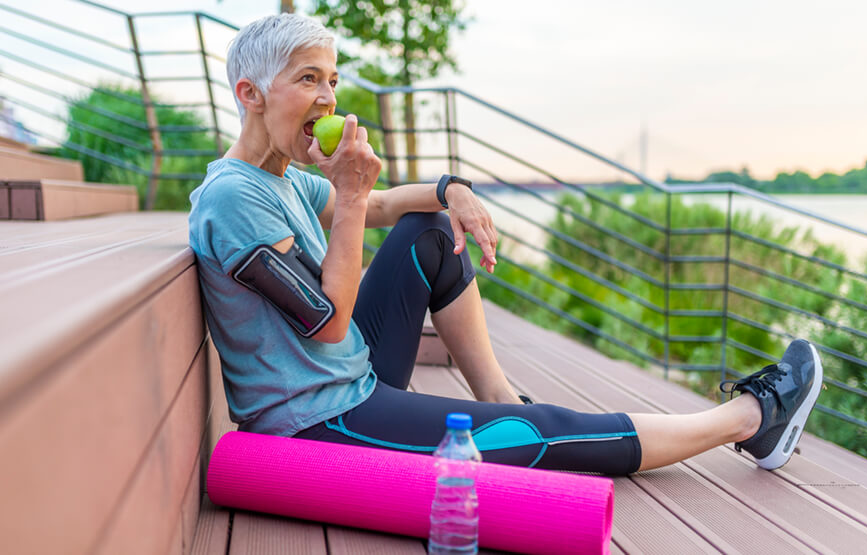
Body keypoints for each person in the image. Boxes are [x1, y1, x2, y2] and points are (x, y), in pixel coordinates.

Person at [188, 13, 823, 475]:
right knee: (532, 434)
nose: (328, 98)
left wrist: (449, 188)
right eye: (308, 79)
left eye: (331, 79)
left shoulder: (284, 179)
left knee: (430, 228)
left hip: (345, 379)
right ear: (251, 94)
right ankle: (750, 421)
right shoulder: (233, 200)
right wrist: (350, 198)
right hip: (319, 422)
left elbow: (384, 206)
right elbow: (327, 325)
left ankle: (495, 394)